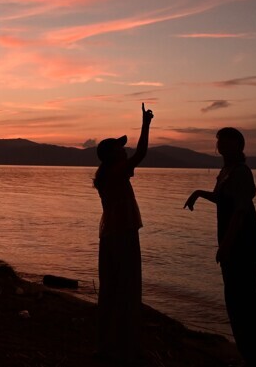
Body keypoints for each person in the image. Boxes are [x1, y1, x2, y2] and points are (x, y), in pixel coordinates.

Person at [185, 127, 256, 367]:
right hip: (230, 240)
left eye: (227, 142)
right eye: (220, 142)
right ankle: (247, 354)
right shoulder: (225, 171)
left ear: (239, 146)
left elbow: (240, 211)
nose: (222, 145)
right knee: (234, 298)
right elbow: (221, 199)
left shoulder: (242, 172)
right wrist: (198, 193)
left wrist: (226, 244)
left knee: (247, 300)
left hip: (243, 242)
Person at [93, 103, 153, 364]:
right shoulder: (116, 173)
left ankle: (109, 345)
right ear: (112, 154)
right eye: (119, 146)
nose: (124, 147)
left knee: (110, 290)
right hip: (122, 236)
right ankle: (125, 348)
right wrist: (146, 124)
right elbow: (141, 153)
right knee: (127, 290)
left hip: (110, 236)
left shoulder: (108, 174)